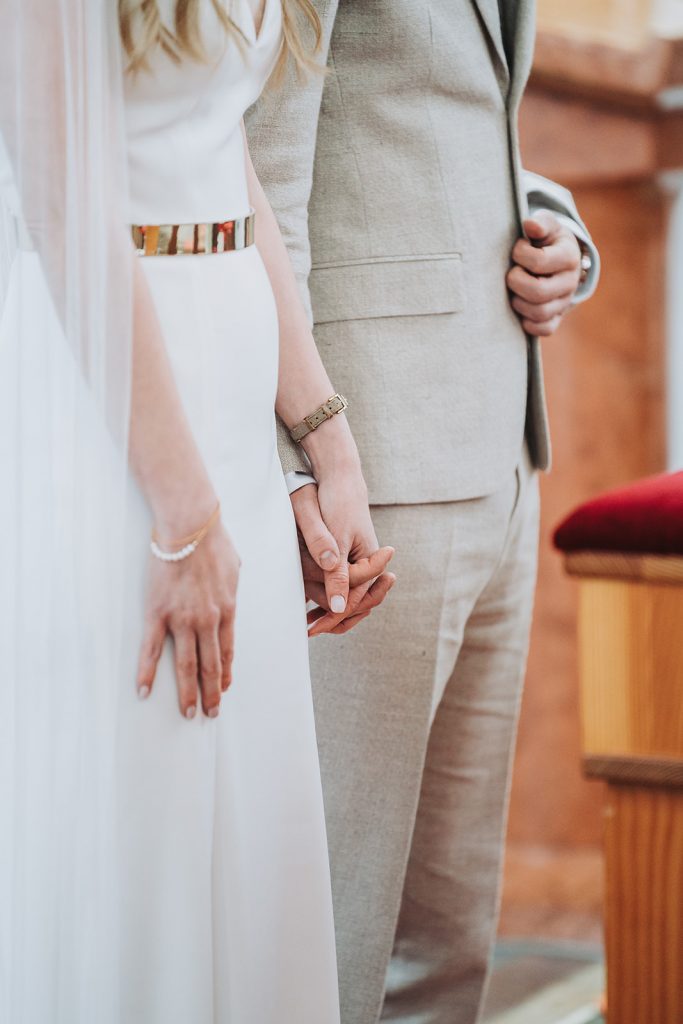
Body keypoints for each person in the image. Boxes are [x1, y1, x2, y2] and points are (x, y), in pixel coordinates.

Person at [0, 2, 392, 1021]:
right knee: (150, 793)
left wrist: (325, 441)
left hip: (227, 365)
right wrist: (179, 512)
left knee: (248, 809)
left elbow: (234, 174)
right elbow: (59, 190)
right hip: (111, 387)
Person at [246, 2, 601, 1022]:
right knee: (342, 933)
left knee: (447, 945)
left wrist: (557, 230)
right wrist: (294, 460)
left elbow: (467, 125)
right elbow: (261, 184)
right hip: (372, 468)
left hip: (499, 448)